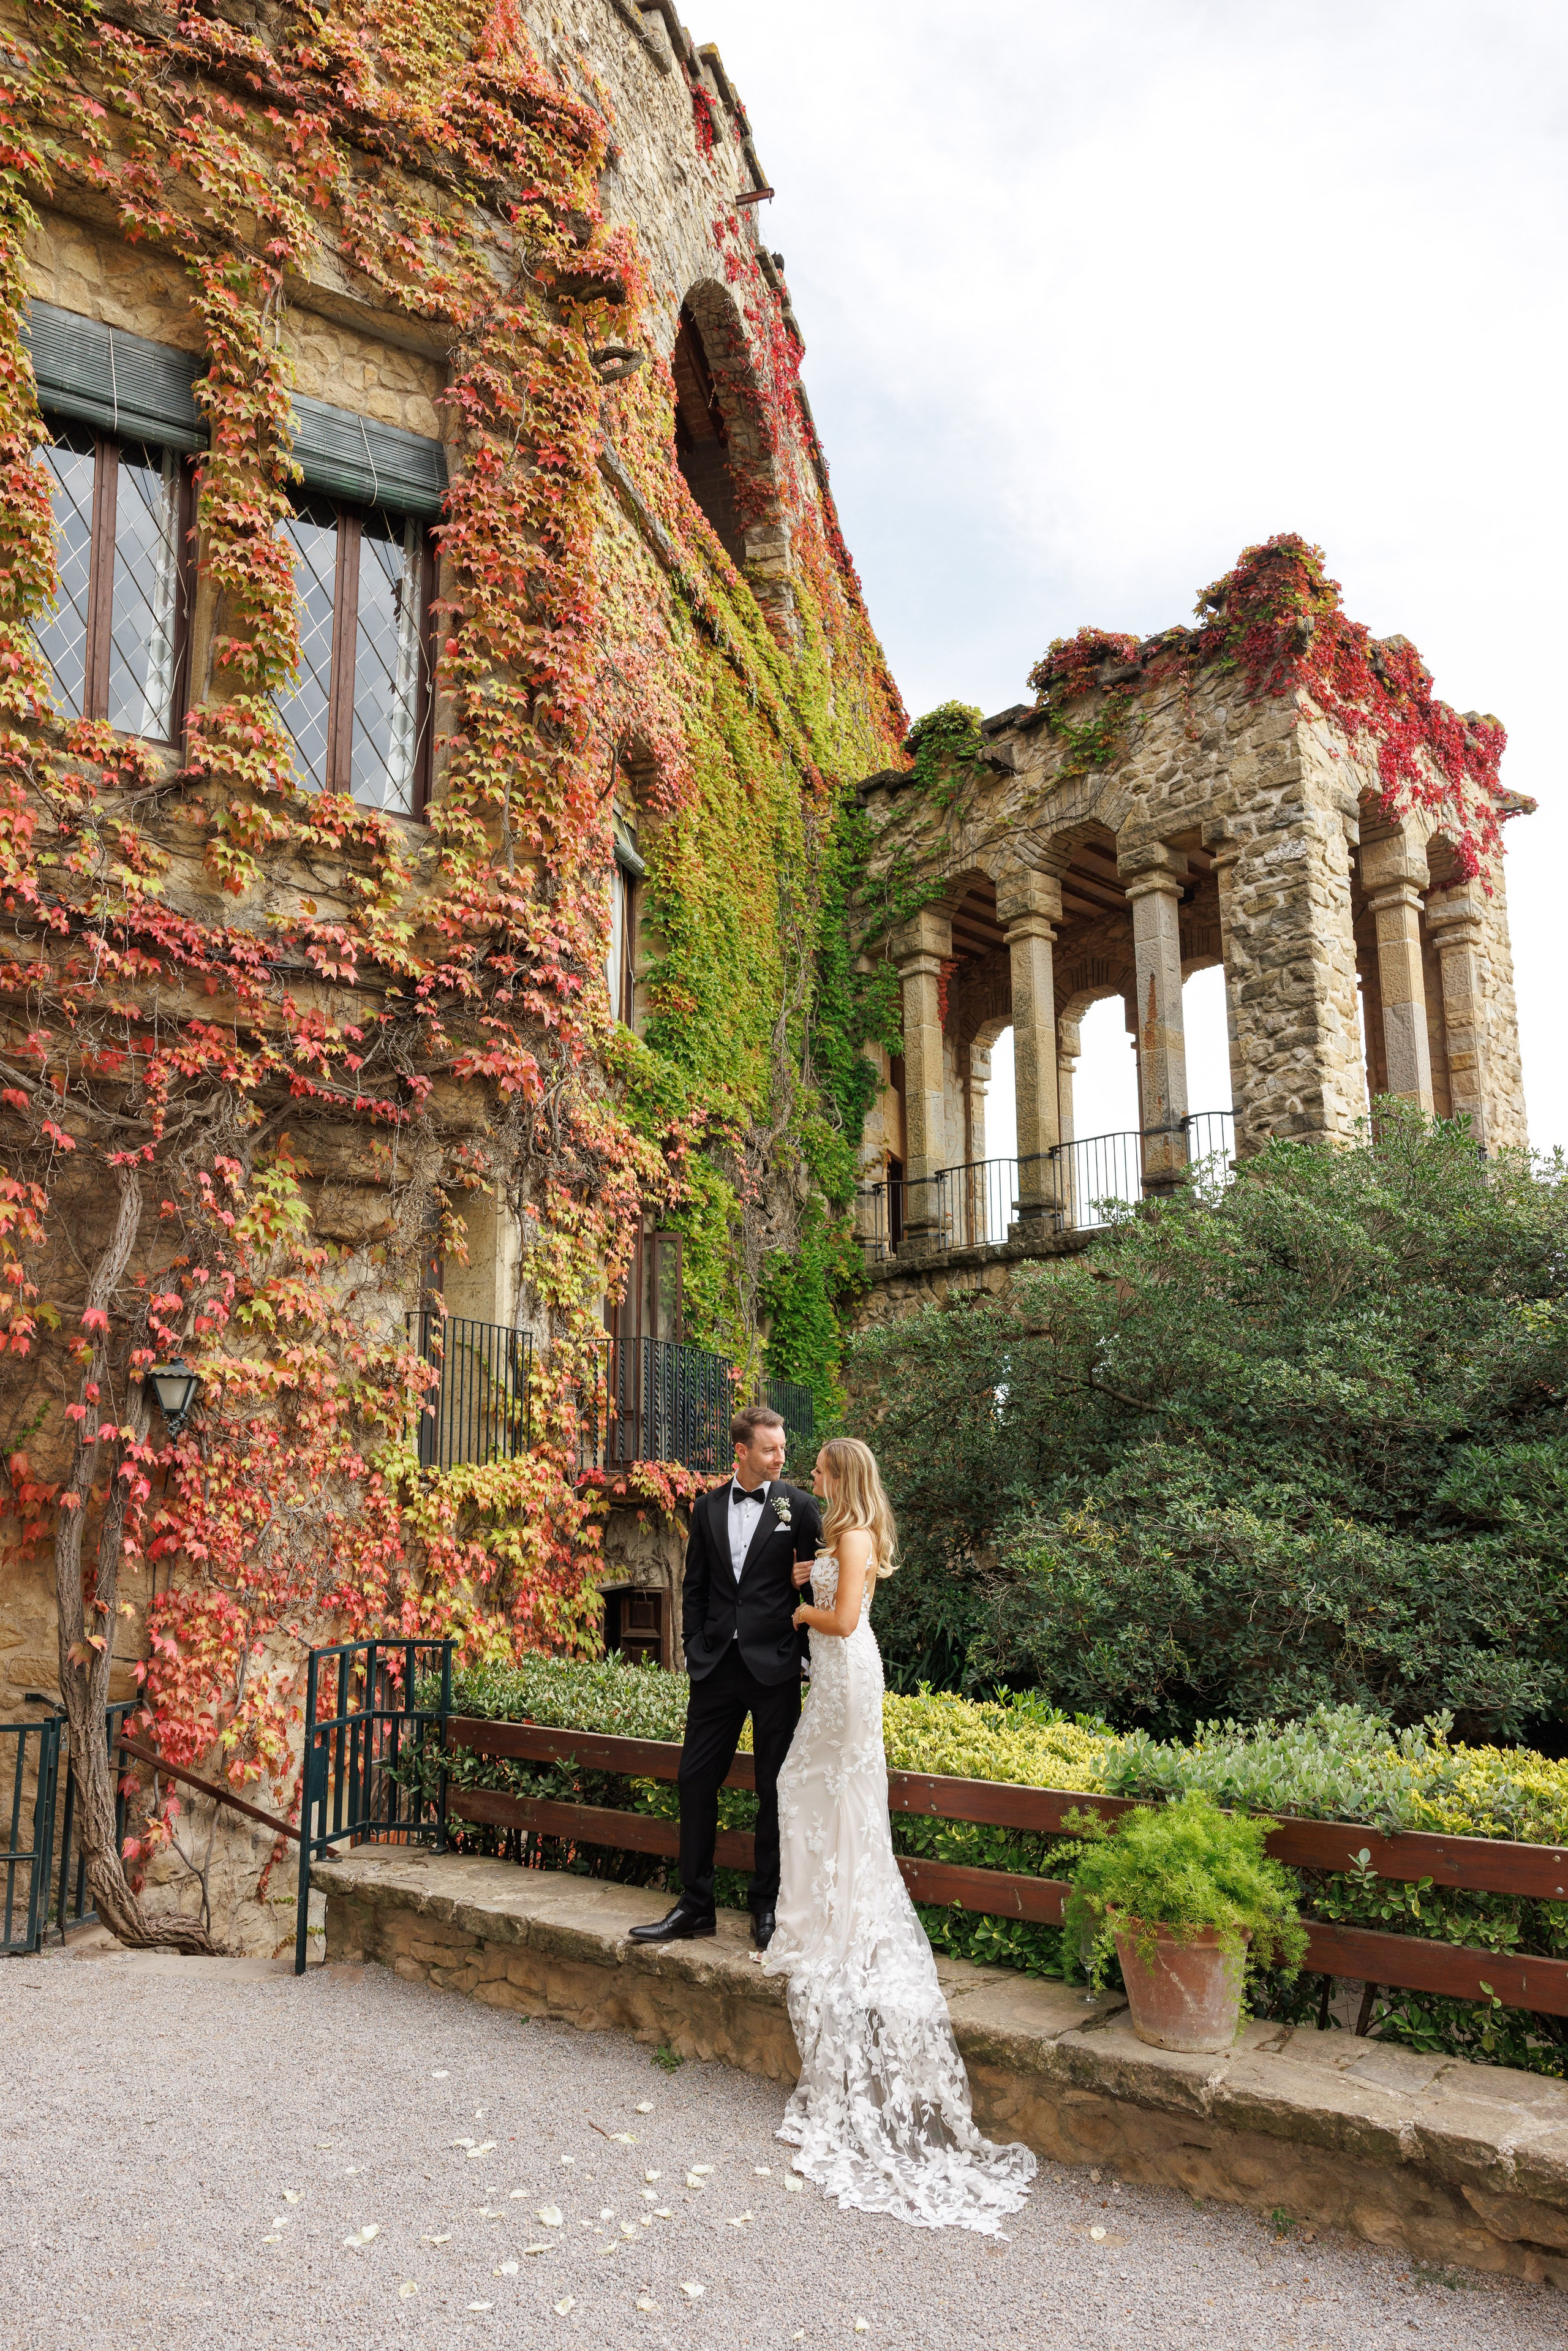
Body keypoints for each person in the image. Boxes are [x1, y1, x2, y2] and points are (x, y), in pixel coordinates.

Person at [761, 1436, 1037, 2233]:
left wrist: (801, 1609)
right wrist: (804, 1577)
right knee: (810, 1790)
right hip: (837, 1681)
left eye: (820, 1469)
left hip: (846, 1678)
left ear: (842, 1475)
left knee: (819, 1791)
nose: (812, 1476)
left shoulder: (851, 1535)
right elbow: (834, 1588)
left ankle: (833, 1920)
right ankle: (820, 1912)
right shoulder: (842, 1536)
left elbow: (844, 1619)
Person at [629, 1404, 821, 1952]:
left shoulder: (799, 1507)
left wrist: (803, 1638)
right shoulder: (707, 1507)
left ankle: (767, 1907)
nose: (780, 1457)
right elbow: (695, 1586)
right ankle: (695, 1906)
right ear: (742, 1450)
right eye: (770, 1448)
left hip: (775, 1669)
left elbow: (822, 1587)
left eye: (782, 1448)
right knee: (694, 1780)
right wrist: (694, 1647)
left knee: (773, 1788)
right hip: (715, 1668)